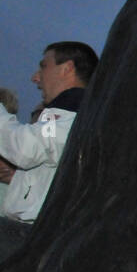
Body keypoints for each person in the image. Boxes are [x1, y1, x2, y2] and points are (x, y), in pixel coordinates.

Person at [0, 43, 98, 224]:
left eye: (43, 66)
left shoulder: (73, 109)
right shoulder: (76, 114)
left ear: (67, 68)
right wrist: (15, 178)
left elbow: (27, 148)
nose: (35, 78)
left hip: (36, 234)